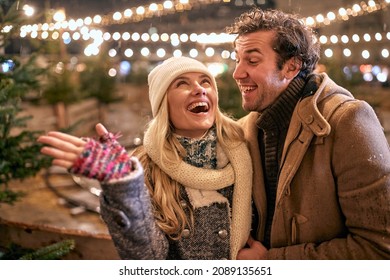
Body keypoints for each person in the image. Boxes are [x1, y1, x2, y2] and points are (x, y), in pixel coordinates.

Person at [38, 56, 253, 260]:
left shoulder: (245, 151)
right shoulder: (146, 167)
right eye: (182, 84)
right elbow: (149, 257)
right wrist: (123, 187)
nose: (199, 89)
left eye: (205, 82)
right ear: (163, 104)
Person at [225, 7, 390, 259]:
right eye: (237, 59)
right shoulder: (244, 131)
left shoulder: (347, 120)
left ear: (291, 67)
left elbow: (379, 249)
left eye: (253, 60)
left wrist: (270, 263)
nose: (237, 73)